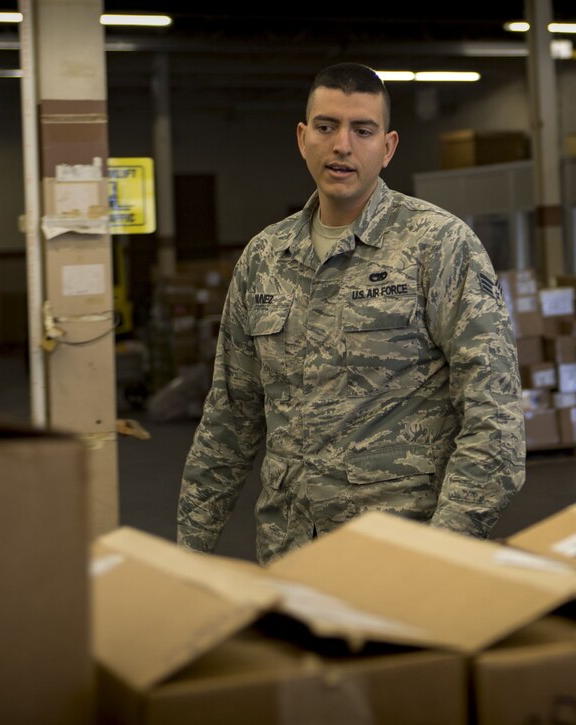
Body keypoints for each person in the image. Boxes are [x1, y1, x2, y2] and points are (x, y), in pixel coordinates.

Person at [177, 62, 526, 563]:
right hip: (290, 550)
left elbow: (496, 416)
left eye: (362, 130)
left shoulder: (438, 246)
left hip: (402, 555)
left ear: (387, 147)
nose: (342, 145)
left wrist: (446, 549)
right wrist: (189, 552)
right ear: (302, 138)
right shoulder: (264, 259)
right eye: (326, 127)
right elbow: (229, 418)